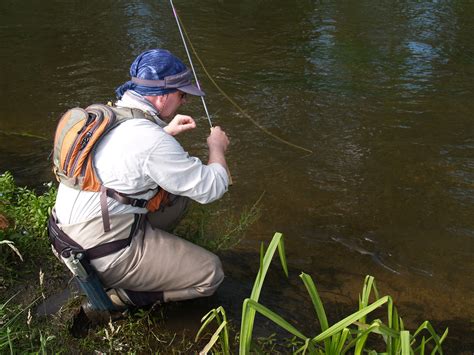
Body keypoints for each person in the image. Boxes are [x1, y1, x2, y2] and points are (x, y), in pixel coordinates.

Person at [52, 49, 230, 308]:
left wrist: (165, 131)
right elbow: (211, 188)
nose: (184, 101)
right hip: (98, 250)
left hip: (66, 236)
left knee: (177, 198)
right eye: (182, 95)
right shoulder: (150, 140)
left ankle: (146, 262)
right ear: (164, 96)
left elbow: (127, 152)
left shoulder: (109, 113)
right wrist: (217, 148)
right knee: (211, 273)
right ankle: (113, 300)